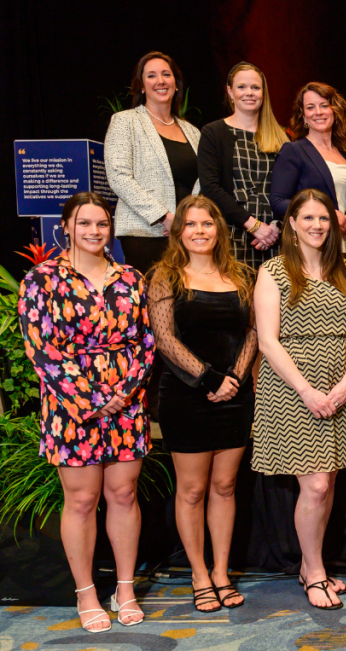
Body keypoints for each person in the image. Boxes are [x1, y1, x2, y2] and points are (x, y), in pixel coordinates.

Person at [17, 192, 155, 633]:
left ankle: (125, 588)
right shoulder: (41, 280)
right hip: (71, 405)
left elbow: (146, 342)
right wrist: (93, 399)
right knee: (81, 500)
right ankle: (86, 592)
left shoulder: (131, 278)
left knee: (124, 494)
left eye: (102, 223)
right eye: (85, 223)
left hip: (126, 402)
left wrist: (124, 391)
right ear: (66, 227)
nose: (94, 231)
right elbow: (42, 350)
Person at [251, 188, 346, 610]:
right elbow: (267, 341)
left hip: (340, 388)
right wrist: (306, 390)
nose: (317, 225)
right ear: (291, 223)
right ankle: (315, 573)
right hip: (293, 390)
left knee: (328, 482)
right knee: (316, 484)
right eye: (308, 218)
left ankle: (310, 565)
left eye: (323, 218)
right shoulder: (273, 271)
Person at [148, 196, 259, 612]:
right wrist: (211, 379)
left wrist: (235, 380)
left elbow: (253, 332)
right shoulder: (165, 276)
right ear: (179, 232)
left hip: (235, 397)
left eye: (207, 224)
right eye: (191, 224)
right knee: (193, 490)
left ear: (219, 230)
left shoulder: (242, 275)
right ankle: (199, 574)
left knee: (225, 487)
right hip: (185, 396)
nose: (199, 231)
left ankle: (221, 572)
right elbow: (164, 340)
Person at [105, 51, 201, 273]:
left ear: (176, 83)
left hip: (188, 234)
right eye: (151, 76)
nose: (160, 81)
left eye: (166, 74)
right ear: (141, 86)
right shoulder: (125, 122)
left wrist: (188, 220)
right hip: (145, 234)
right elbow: (119, 177)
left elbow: (203, 181)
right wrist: (163, 217)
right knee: (153, 295)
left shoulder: (193, 132)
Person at [198, 61, 289, 268]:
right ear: (230, 92)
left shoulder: (282, 138)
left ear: (263, 93)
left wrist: (275, 228)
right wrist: (254, 226)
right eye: (242, 87)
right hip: (230, 235)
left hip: (274, 238)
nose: (249, 93)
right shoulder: (213, 133)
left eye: (255, 87)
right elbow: (210, 188)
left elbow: (289, 191)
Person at [270, 82, 346, 248]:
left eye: (324, 105)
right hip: (311, 246)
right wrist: (324, 213)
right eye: (310, 107)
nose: (318, 112)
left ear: (335, 111)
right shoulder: (294, 151)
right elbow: (278, 201)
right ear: (303, 117)